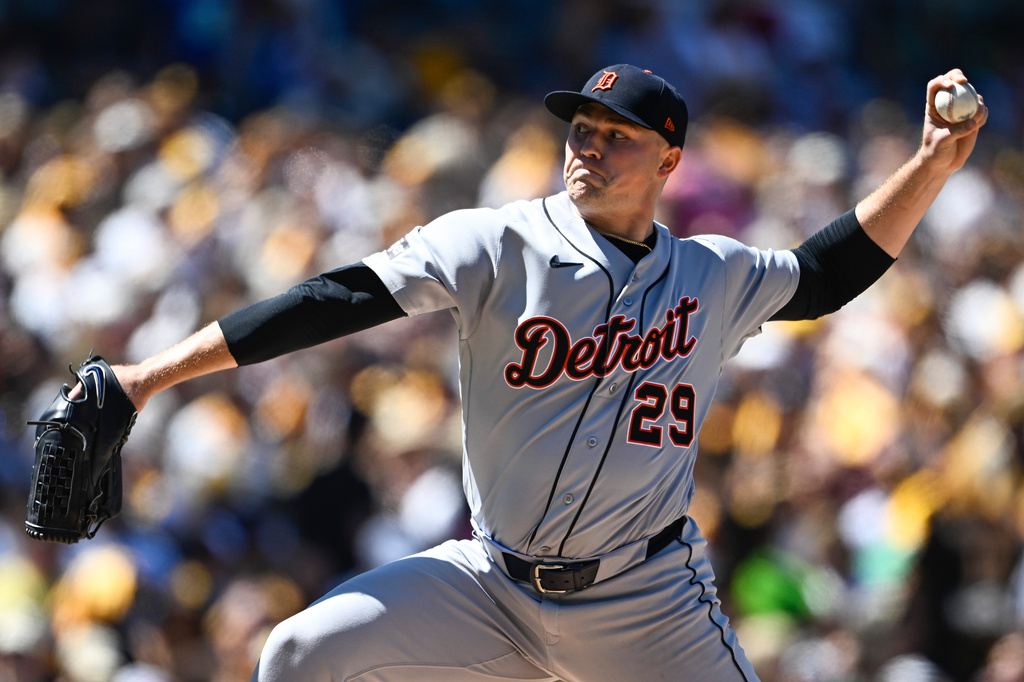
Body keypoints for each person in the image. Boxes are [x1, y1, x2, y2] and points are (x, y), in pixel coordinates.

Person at [90, 64, 986, 681]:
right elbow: (337, 297)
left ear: (670, 161)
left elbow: (826, 275)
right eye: (582, 129)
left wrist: (931, 165)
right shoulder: (496, 241)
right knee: (296, 654)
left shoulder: (713, 274)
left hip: (646, 600)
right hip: (486, 581)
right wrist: (148, 377)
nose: (587, 146)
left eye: (617, 137)